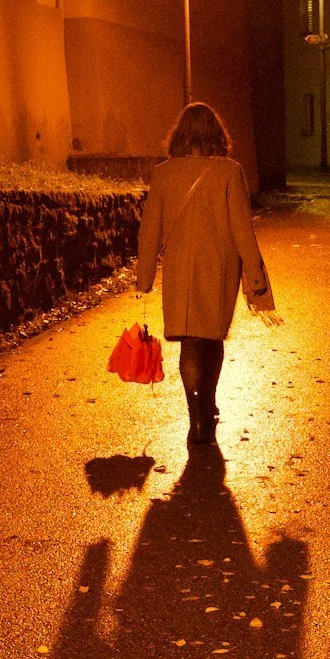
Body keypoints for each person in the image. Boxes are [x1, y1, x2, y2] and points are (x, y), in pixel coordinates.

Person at [133, 102, 276, 444]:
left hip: (181, 268)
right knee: (211, 340)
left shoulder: (163, 173)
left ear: (179, 135)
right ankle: (208, 407)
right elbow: (243, 230)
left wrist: (144, 279)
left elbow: (149, 231)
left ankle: (195, 417)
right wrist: (256, 283)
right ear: (217, 135)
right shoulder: (229, 171)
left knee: (189, 345)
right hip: (219, 267)